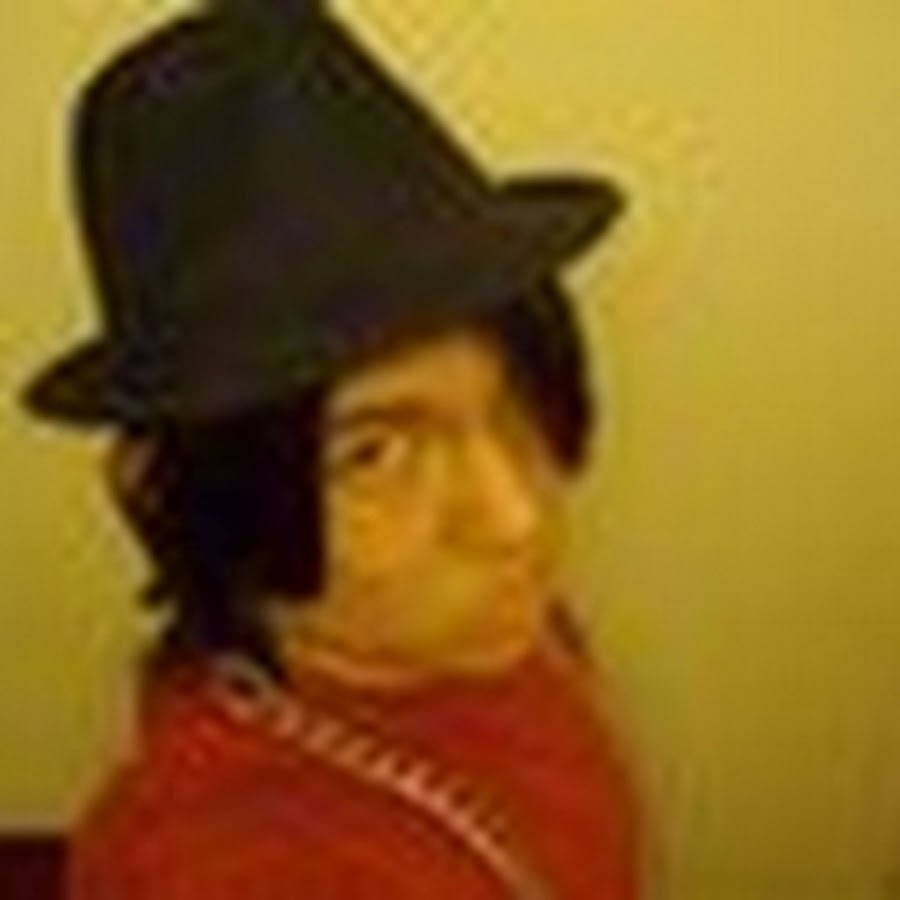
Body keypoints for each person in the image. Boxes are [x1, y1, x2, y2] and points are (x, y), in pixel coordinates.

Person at [21, 0, 642, 896]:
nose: (514, 519)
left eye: (516, 409)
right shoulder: (237, 866)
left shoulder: (480, 635)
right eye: (375, 454)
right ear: (166, 493)